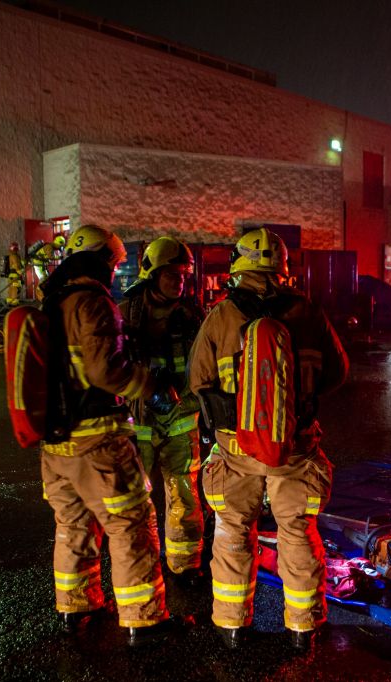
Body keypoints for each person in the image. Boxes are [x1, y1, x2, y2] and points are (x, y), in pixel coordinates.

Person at [188, 227, 349, 651]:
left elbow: (197, 379)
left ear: (238, 267)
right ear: (282, 267)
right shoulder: (308, 312)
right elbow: (338, 372)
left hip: (236, 449)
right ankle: (302, 628)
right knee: (297, 532)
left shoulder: (221, 316)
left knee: (233, 531)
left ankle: (231, 626)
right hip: (296, 446)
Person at [37, 224, 182, 645]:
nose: (115, 272)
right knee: (130, 524)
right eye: (114, 264)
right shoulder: (92, 302)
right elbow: (106, 370)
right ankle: (143, 620)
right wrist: (151, 386)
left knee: (73, 524)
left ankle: (75, 608)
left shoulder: (54, 301)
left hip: (56, 444)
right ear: (102, 260)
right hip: (97, 440)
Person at [118, 237, 205, 582]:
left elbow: (204, 365)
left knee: (183, 491)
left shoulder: (192, 315)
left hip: (181, 415)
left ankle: (185, 564)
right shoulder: (125, 314)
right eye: (171, 274)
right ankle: (138, 567)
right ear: (152, 275)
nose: (179, 281)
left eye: (183, 275)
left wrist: (192, 404)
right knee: (135, 496)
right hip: (139, 417)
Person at [4, 242, 25, 306]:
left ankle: (9, 302)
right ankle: (14, 304)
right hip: (15, 275)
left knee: (11, 289)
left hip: (11, 276)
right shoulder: (14, 256)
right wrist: (22, 275)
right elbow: (17, 267)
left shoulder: (12, 256)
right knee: (15, 290)